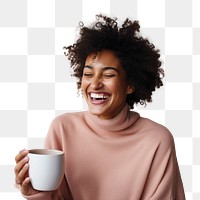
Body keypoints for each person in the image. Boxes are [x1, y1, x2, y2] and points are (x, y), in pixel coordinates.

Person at [15, 14, 185, 200]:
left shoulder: (157, 140)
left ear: (130, 85)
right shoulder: (62, 129)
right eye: (88, 74)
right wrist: (36, 194)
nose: (94, 84)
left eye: (108, 75)